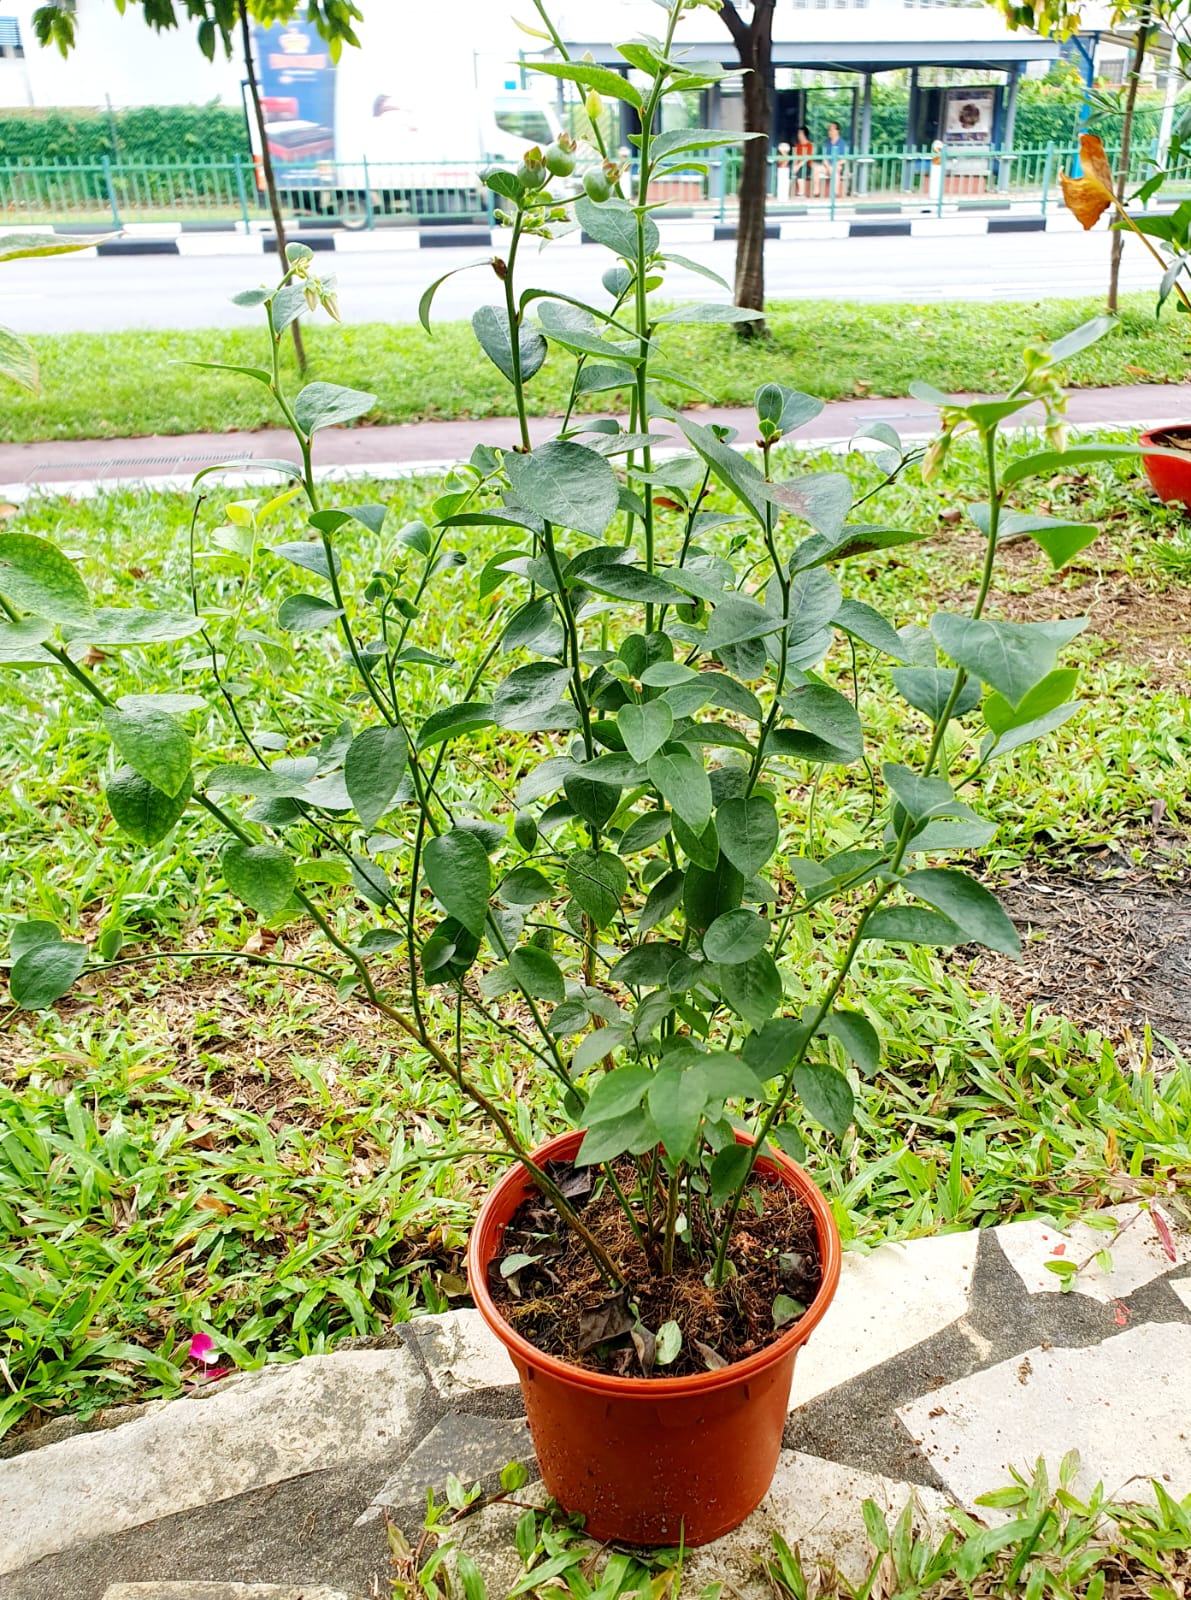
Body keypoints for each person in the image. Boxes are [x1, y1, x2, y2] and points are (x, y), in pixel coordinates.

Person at [816, 121, 850, 199]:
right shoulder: (826, 143)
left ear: (837, 131)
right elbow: (824, 158)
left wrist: (834, 164)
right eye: (829, 130)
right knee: (816, 169)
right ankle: (816, 193)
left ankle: (835, 194)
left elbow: (844, 159)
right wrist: (828, 166)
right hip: (827, 166)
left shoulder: (842, 144)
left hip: (837, 166)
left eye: (831, 130)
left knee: (835, 171)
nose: (829, 132)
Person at [793, 126, 814, 198]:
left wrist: (798, 166)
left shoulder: (810, 145)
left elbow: (807, 158)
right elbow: (795, 158)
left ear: (804, 134)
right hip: (798, 165)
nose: (798, 135)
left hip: (807, 166)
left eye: (800, 133)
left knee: (801, 170)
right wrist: (794, 166)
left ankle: (801, 193)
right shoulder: (797, 146)